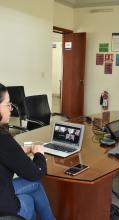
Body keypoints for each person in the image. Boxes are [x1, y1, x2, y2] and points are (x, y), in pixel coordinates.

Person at [0, 83, 55, 220]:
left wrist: (19, 152)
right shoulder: (3, 139)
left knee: (33, 187)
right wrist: (38, 153)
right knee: (30, 196)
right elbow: (36, 173)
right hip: (4, 208)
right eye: (8, 104)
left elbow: (5, 156)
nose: (11, 109)